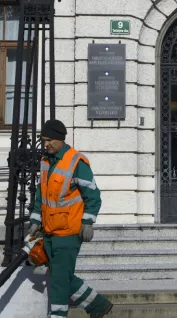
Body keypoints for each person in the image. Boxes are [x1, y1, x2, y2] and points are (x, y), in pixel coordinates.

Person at [28, 119, 114, 318]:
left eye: (49, 140)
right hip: (49, 231)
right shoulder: (46, 161)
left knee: (58, 280)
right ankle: (98, 305)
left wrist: (88, 222)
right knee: (62, 275)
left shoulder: (77, 162)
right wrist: (35, 220)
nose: (46, 144)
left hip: (69, 232)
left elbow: (93, 196)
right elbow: (41, 194)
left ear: (60, 139)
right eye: (43, 140)